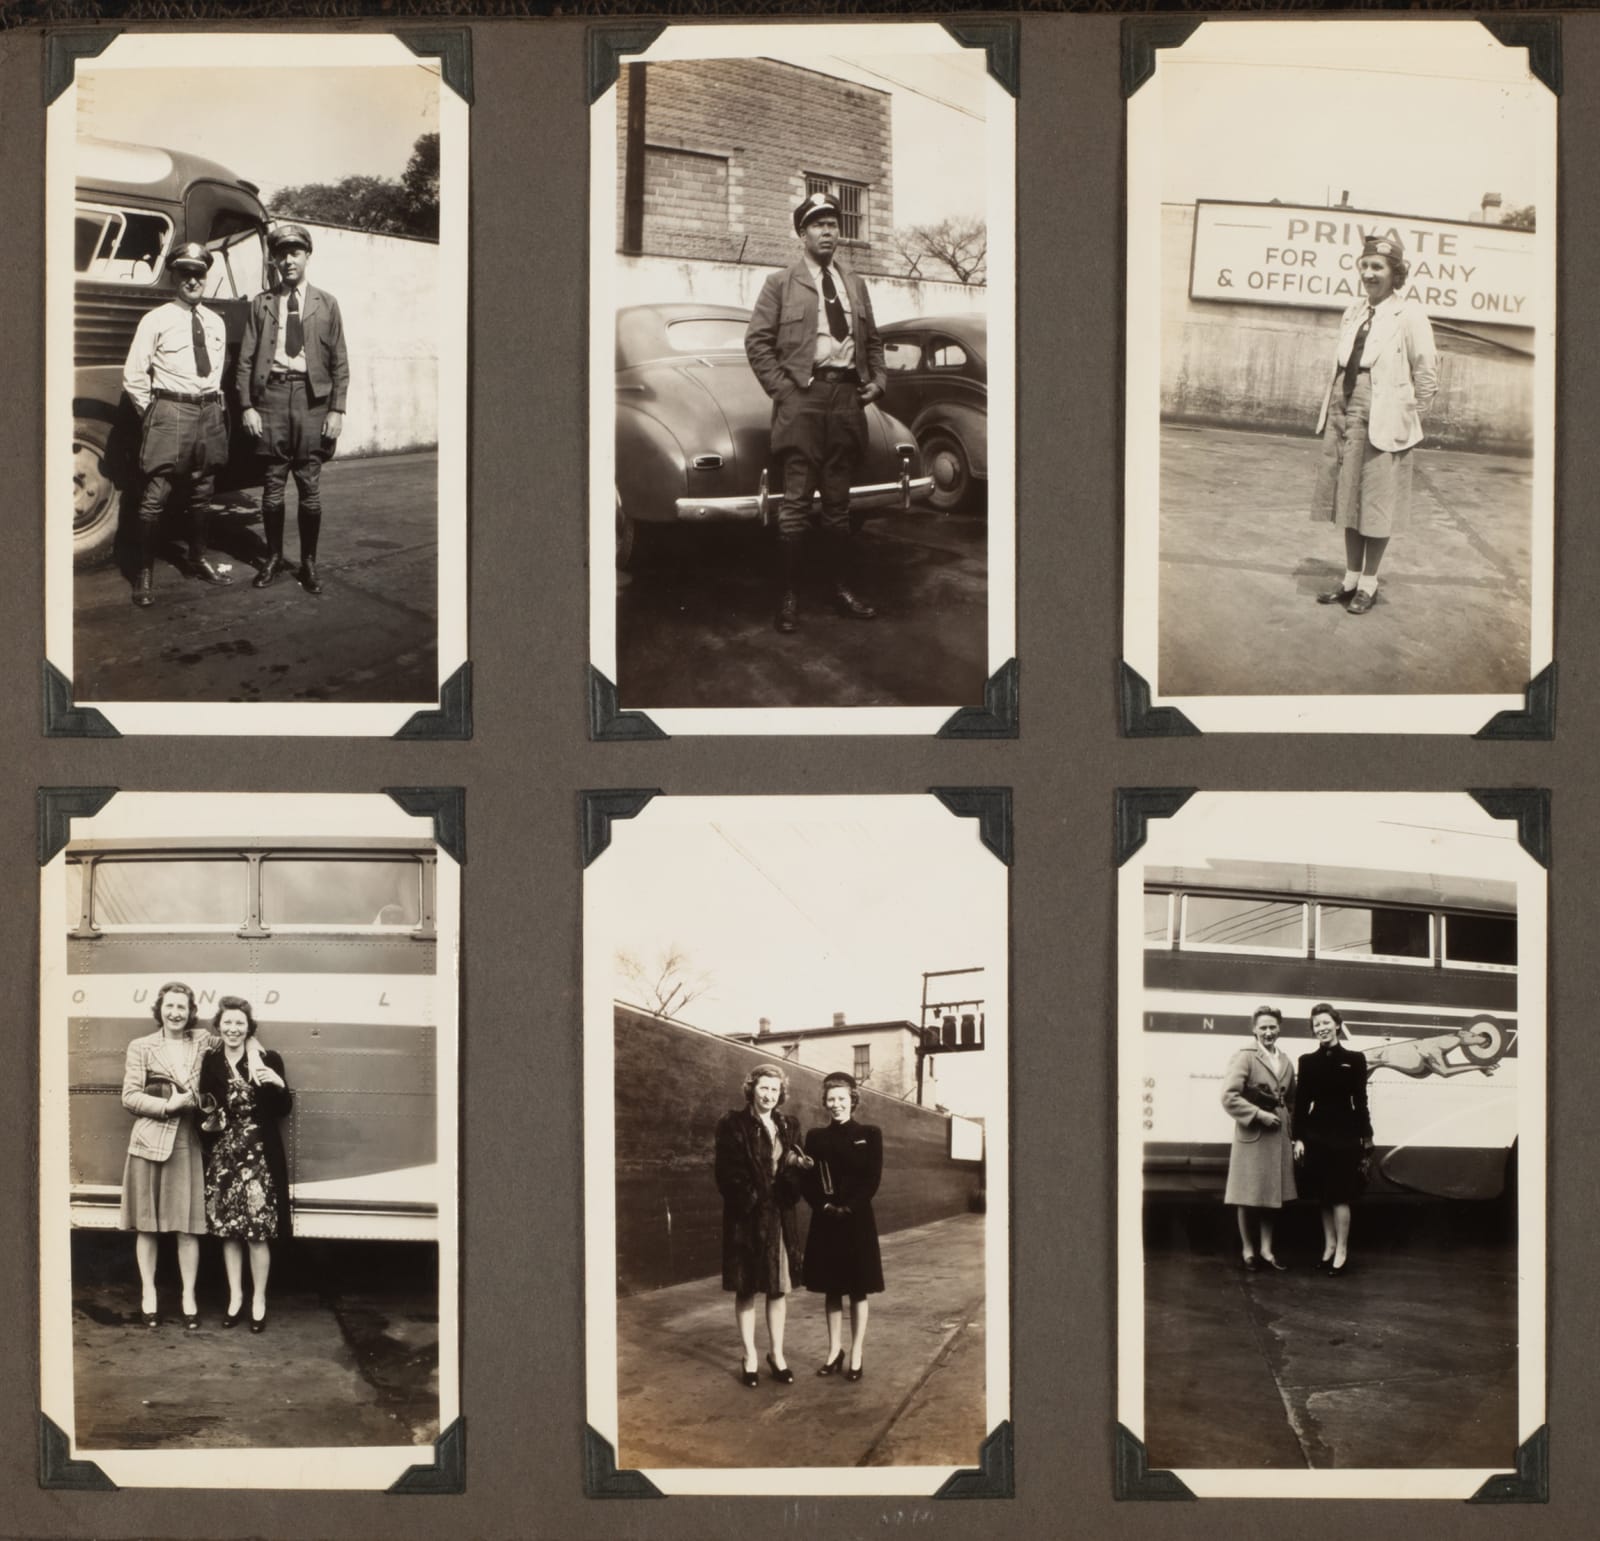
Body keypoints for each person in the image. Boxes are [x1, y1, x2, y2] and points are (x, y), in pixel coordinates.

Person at [745, 191, 887, 634]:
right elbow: (757, 343)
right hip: (802, 401)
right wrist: (784, 392)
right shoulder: (781, 283)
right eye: (818, 225)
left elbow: (873, 341)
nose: (828, 232)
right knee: (796, 504)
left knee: (839, 506)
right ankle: (788, 597)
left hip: (846, 400)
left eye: (833, 224)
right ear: (802, 234)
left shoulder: (854, 283)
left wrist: (879, 381)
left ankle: (840, 589)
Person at [1311, 232, 1438, 616]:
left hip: (1383, 413)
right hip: (1345, 405)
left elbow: (1426, 371)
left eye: (1378, 267)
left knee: (1377, 501)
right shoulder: (1354, 310)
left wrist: (1409, 415)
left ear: (1395, 273)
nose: (1369, 273)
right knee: (1349, 496)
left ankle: (1369, 583)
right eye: (1364, 265)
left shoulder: (1409, 314)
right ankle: (1350, 579)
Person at [237, 222, 349, 595]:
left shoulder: (326, 303)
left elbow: (340, 363)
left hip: (312, 401)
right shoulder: (262, 304)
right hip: (270, 399)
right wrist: (247, 405)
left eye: (295, 253)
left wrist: (336, 410)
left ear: (307, 256)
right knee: (272, 485)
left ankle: (309, 563)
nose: (288, 260)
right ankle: (272, 558)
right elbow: (245, 360)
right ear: (274, 259)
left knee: (309, 486)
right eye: (282, 254)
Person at [120, 241, 234, 607]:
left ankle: (197, 558)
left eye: (199, 273)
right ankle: (144, 573)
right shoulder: (155, 320)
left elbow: (218, 370)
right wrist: (154, 415)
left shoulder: (215, 322)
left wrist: (213, 406)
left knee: (204, 490)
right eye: (185, 273)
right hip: (171, 411)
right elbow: (134, 375)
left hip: (209, 412)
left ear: (205, 277)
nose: (193, 280)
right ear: (174, 277)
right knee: (155, 496)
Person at [118, 981, 212, 1328]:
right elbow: (129, 1097)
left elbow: (240, 1035)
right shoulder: (141, 1046)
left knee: (187, 1228)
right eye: (169, 1006)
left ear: (191, 1012)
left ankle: (189, 1297)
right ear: (159, 1009)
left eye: (181, 1007)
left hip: (188, 1141)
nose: (175, 1013)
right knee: (148, 1226)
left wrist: (256, 1046)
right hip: (149, 1143)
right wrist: (168, 1106)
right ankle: (149, 1293)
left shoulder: (203, 1041)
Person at [713, 1064, 813, 1387]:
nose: (769, 1095)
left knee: (777, 1288)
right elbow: (727, 1173)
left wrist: (792, 1178)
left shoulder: (788, 1125)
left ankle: (777, 1354)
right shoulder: (733, 1124)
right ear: (751, 1089)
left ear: (781, 1093)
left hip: (779, 1218)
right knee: (746, 1287)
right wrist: (753, 1198)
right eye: (763, 1088)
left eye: (774, 1089)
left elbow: (794, 1173)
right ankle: (749, 1356)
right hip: (747, 1219)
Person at [198, 996, 292, 1332]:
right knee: (229, 1233)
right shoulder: (211, 1061)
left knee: (257, 1233)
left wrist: (278, 1084)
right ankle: (235, 1298)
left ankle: (259, 1300)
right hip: (225, 1156)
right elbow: (205, 1105)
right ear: (218, 1026)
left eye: (240, 1023)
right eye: (227, 1022)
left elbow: (282, 1110)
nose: (233, 1029)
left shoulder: (268, 1059)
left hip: (258, 1157)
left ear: (249, 1028)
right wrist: (209, 1119)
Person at [802, 1072, 883, 1381]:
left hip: (857, 1220)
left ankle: (857, 1352)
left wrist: (849, 1207)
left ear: (853, 1101)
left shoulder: (869, 1134)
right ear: (825, 1102)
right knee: (832, 1289)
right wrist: (824, 1206)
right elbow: (809, 1181)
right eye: (831, 1099)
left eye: (842, 1099)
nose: (836, 1104)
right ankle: (834, 1351)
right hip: (826, 1221)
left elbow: (872, 1179)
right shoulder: (815, 1137)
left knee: (858, 1289)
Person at [1293, 1002, 1374, 1276]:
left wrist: (1366, 1135)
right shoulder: (1307, 1061)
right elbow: (1301, 1103)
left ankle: (1341, 1251)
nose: (1322, 1028)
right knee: (1323, 1196)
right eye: (1317, 1024)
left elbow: (1360, 1101)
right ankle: (1328, 1247)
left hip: (1345, 1135)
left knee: (1340, 1195)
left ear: (1337, 1025)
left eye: (1326, 1022)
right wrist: (1298, 1138)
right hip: (1316, 1135)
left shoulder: (1355, 1059)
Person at [1219, 1006, 1296, 1272]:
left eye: (1272, 1027)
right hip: (1254, 1134)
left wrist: (1292, 1132)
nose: (1268, 1032)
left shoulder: (1285, 1060)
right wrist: (1259, 1115)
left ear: (1279, 1028)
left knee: (1271, 1195)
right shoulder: (1245, 1057)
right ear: (1254, 1029)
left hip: (1278, 1136)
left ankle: (1266, 1249)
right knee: (1247, 1194)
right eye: (1263, 1027)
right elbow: (1229, 1096)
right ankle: (1248, 1250)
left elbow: (1292, 1100)